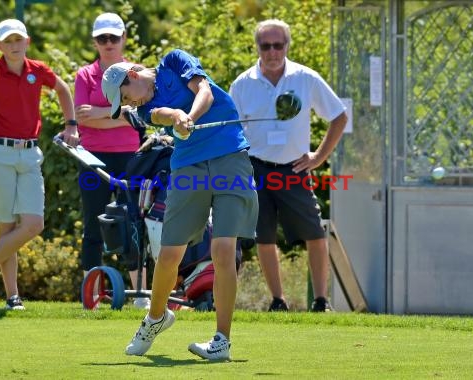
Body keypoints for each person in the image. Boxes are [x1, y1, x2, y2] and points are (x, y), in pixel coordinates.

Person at [101, 49, 258, 360]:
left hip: (230, 157)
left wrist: (190, 116)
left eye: (126, 97)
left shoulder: (174, 61)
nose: (131, 105)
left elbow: (205, 91)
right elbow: (161, 116)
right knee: (170, 252)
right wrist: (175, 117)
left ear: (132, 75)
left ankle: (221, 340)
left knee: (224, 249)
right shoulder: (146, 109)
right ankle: (156, 317)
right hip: (188, 168)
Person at [0, 19, 79, 310]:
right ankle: (13, 297)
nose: (13, 45)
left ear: (27, 42)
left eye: (17, 40)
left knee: (34, 224)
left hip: (30, 153)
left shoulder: (38, 70)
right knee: (7, 229)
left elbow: (62, 90)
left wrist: (71, 124)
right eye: (7, 41)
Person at [229, 19, 347, 312]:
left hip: (295, 169)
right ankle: (278, 301)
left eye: (277, 45)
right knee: (264, 237)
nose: (272, 52)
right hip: (256, 169)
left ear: (286, 46)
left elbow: (339, 116)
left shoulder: (305, 78)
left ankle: (321, 301)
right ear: (257, 47)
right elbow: (231, 131)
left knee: (315, 235)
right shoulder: (242, 84)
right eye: (265, 45)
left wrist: (318, 157)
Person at [74, 12, 149, 310]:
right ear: (95, 41)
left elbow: (139, 118)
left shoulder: (137, 72)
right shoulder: (85, 75)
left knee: (132, 222)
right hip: (93, 159)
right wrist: (122, 113)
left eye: (113, 38)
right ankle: (90, 295)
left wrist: (102, 112)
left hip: (131, 158)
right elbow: (83, 117)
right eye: (102, 38)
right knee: (93, 225)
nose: (108, 43)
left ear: (123, 39)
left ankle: (140, 295)